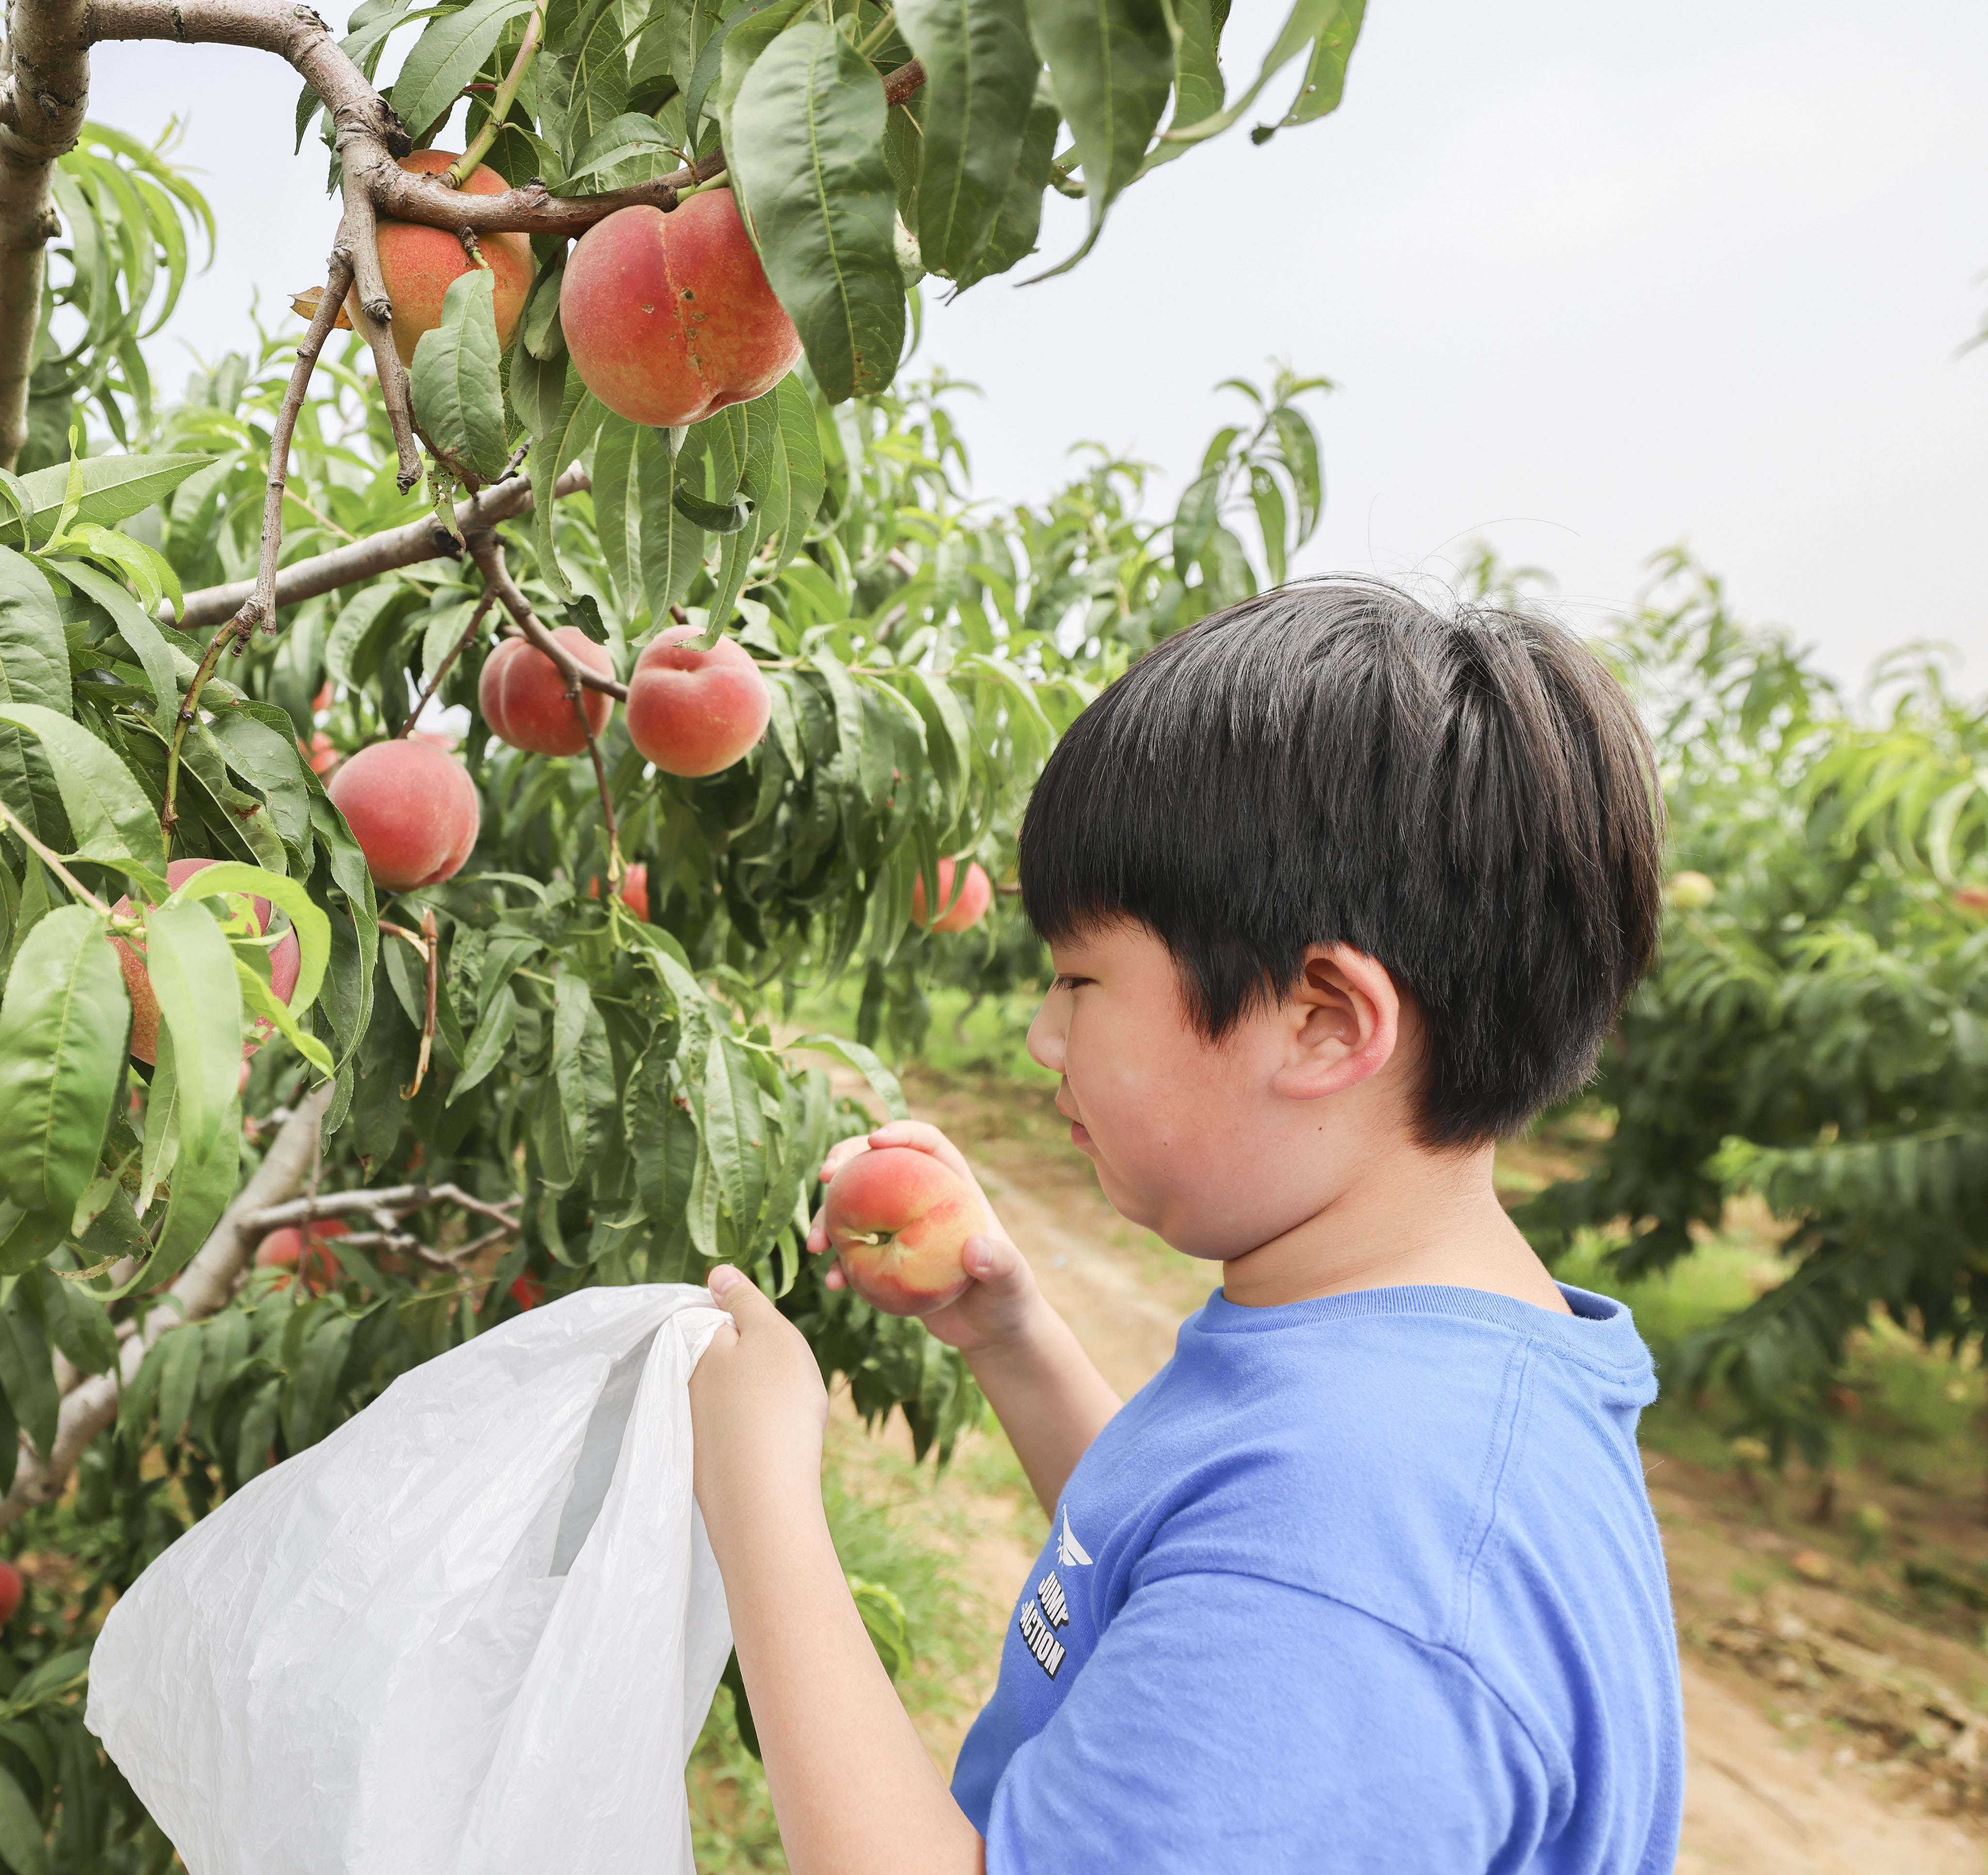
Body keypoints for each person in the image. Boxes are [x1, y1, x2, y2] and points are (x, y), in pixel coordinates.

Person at [691, 583, 1684, 1873]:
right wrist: (1014, 1337)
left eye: (1083, 980)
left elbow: (1295, 1580)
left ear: (1326, 1020)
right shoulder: (1399, 1380)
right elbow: (1193, 1551)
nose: (1046, 1036)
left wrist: (755, 1489)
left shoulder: (1363, 1559)